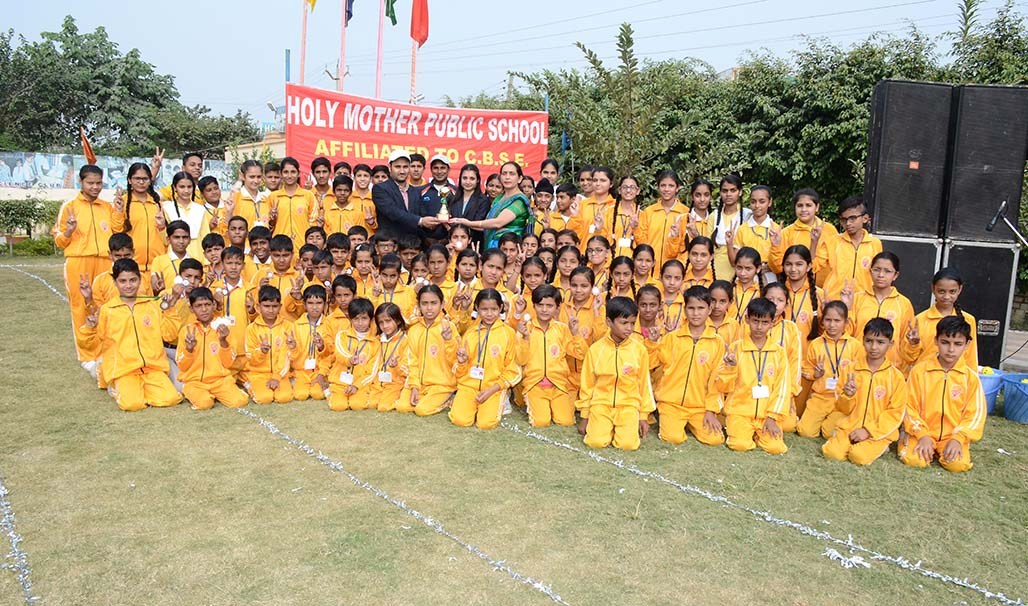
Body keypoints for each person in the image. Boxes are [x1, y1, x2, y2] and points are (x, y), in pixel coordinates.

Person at [81, 258, 183, 411]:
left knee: (171, 399)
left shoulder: (152, 305)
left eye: (133, 280)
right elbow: (91, 344)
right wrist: (90, 328)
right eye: (123, 281)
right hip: (124, 370)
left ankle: (143, 389)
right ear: (115, 282)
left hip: (152, 367)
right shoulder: (108, 310)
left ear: (140, 280)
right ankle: (114, 385)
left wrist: (170, 310)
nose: (128, 285)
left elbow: (169, 335)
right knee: (132, 404)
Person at [899, 315, 986, 473]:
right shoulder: (920, 371)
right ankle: (914, 441)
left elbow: (975, 415)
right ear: (936, 341)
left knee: (957, 465)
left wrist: (958, 439)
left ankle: (949, 447)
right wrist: (922, 435)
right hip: (921, 432)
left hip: (952, 436)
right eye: (945, 342)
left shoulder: (970, 377)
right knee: (915, 460)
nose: (951, 350)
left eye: (958, 344)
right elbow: (908, 407)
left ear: (967, 345)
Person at [822, 318, 907, 465]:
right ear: (863, 340)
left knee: (858, 456)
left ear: (890, 344)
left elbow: (895, 413)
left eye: (880, 342)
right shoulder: (850, 369)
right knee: (832, 453)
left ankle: (881, 445)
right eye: (869, 341)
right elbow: (841, 408)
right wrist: (848, 396)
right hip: (850, 426)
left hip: (878, 432)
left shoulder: (895, 377)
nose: (874, 347)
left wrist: (868, 431)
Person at [55, 165, 116, 368]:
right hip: (79, 261)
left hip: (105, 261)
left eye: (99, 183)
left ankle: (105, 351)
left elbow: (117, 230)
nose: (95, 187)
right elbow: (59, 241)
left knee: (104, 305)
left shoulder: (107, 207)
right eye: (90, 183)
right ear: (81, 182)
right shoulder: (70, 206)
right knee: (81, 306)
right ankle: (87, 356)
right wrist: (69, 230)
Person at [576, 296, 654, 450]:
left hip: (628, 406)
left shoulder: (639, 350)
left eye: (632, 323)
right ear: (609, 322)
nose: (629, 328)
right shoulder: (596, 350)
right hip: (601, 405)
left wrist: (643, 416)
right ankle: (603, 428)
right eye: (624, 323)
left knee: (628, 445)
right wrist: (585, 416)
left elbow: (644, 385)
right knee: (595, 442)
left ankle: (619, 429)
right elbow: (587, 384)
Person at [654, 286, 727, 445]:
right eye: (691, 308)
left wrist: (711, 410)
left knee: (714, 440)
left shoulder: (717, 342)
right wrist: (651, 343)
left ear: (709, 309)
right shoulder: (672, 338)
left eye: (701, 308)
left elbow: (716, 380)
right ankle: (670, 419)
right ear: (685, 309)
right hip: (671, 403)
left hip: (699, 407)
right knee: (673, 438)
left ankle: (691, 422)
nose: (696, 313)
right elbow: (654, 364)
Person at [717, 297, 790, 454]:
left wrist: (772, 418)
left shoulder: (779, 352)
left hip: (766, 414)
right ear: (747, 319)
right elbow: (723, 386)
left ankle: (760, 433)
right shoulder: (736, 349)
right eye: (755, 321)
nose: (759, 327)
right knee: (740, 445)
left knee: (776, 448)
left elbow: (782, 388)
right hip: (740, 412)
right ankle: (741, 431)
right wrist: (730, 368)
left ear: (773, 323)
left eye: (765, 322)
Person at [515, 285, 587, 427]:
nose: (544, 309)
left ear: (557, 308)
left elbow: (581, 354)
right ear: (534, 306)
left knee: (565, 421)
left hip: (558, 384)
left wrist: (575, 334)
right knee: (541, 421)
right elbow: (520, 360)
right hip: (534, 384)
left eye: (549, 306)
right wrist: (524, 338)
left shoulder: (562, 329)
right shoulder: (526, 328)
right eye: (540, 305)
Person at [451, 289, 521, 429]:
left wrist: (493, 389)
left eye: (494, 309)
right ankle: (458, 400)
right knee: (460, 421)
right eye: (484, 309)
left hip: (493, 387)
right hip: (468, 386)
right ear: (477, 308)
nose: (489, 314)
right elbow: (459, 369)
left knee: (486, 424)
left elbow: (512, 369)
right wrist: (462, 362)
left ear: (500, 308)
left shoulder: (508, 333)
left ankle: (503, 399)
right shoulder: (470, 332)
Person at [175, 287, 249, 410]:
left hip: (220, 380)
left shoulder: (224, 328)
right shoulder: (186, 331)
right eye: (198, 306)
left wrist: (223, 341)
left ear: (214, 305)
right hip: (195, 382)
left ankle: (219, 393)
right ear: (191, 309)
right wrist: (189, 350)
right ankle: (195, 393)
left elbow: (228, 363)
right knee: (205, 403)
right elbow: (182, 365)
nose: (204, 309)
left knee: (239, 401)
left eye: (207, 304)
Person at [797, 301, 860, 438]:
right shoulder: (816, 344)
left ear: (846, 322)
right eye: (828, 320)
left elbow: (860, 373)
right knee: (805, 432)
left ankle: (828, 424)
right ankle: (820, 421)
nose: (832, 325)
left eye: (837, 321)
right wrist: (815, 374)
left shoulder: (855, 345)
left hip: (842, 399)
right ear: (822, 321)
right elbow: (806, 368)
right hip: (820, 396)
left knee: (830, 433)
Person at [844, 251, 915, 370]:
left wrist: (913, 344)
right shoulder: (857, 298)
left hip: (890, 369)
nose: (881, 275)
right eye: (877, 270)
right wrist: (846, 308)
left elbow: (905, 342)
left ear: (896, 275)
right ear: (870, 271)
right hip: (857, 366)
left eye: (887, 271)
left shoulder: (903, 304)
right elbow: (846, 334)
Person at [907, 268, 978, 370]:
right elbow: (908, 358)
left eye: (952, 292)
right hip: (926, 375)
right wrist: (914, 344)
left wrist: (972, 377)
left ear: (960, 289)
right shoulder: (920, 320)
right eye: (941, 291)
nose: (946, 297)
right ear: (933, 289)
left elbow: (971, 357)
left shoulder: (968, 320)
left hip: (956, 377)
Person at [450, 161, 531, 249]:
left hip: (508, 249)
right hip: (491, 246)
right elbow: (487, 225)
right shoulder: (499, 198)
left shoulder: (519, 201)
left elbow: (498, 223)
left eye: (512, 174)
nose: (507, 177)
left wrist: (468, 223)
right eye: (504, 173)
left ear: (519, 178)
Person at [405, 285, 459, 416]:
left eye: (434, 303)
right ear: (419, 306)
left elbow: (456, 360)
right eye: (424, 303)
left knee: (421, 410)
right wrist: (414, 386)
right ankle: (424, 395)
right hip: (421, 384)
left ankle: (449, 398)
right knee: (403, 406)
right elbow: (412, 361)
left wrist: (449, 341)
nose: (429, 308)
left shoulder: (449, 327)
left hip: (442, 385)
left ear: (442, 304)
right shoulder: (414, 330)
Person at [372, 149, 446, 243]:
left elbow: (421, 215)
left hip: (412, 245)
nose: (402, 171)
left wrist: (435, 222)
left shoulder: (415, 191)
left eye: (405, 167)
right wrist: (421, 221)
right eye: (398, 167)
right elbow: (393, 212)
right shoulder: (380, 188)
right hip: (390, 244)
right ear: (390, 167)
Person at [817, 195, 882, 301]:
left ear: (865, 218)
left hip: (864, 301)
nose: (848, 223)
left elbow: (879, 272)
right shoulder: (832, 242)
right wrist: (814, 241)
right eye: (844, 220)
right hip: (834, 300)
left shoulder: (875, 243)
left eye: (852, 218)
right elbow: (813, 265)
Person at [245, 284, 299, 404]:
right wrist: (261, 351)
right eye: (266, 306)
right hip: (258, 374)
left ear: (280, 307)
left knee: (284, 398)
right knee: (264, 398)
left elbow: (288, 356)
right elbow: (250, 358)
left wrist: (276, 377)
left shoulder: (288, 326)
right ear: (258, 307)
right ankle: (249, 384)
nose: (270, 310)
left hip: (281, 374)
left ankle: (288, 381)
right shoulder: (251, 329)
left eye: (274, 306)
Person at [111, 163, 166, 276]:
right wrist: (119, 211)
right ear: (129, 180)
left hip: (157, 265)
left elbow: (166, 235)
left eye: (145, 179)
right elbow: (116, 232)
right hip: (131, 266)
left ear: (150, 181)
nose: (141, 182)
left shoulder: (158, 204)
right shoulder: (122, 202)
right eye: (137, 179)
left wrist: (162, 226)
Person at [328, 298, 378, 411]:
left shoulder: (375, 343)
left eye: (364, 318)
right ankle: (329, 392)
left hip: (359, 385)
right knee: (338, 406)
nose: (360, 323)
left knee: (357, 405)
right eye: (356, 319)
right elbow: (340, 353)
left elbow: (372, 371)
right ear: (350, 319)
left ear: (371, 320)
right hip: (340, 382)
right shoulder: (342, 335)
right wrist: (350, 359)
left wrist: (357, 386)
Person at [640, 169, 689, 271]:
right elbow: (642, 240)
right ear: (658, 187)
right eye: (663, 185)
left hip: (673, 272)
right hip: (649, 269)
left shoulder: (685, 213)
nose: (666, 189)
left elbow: (685, 247)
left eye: (671, 186)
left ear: (677, 188)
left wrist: (680, 267)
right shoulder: (649, 211)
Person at [291, 285, 333, 402]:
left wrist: (322, 347)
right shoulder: (296, 325)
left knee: (318, 394)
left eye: (319, 303)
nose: (314, 307)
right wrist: (293, 347)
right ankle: (293, 380)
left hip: (319, 370)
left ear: (325, 305)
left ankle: (324, 380)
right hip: (301, 371)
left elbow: (331, 353)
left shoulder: (329, 325)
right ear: (304, 305)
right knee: (300, 395)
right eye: (310, 303)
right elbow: (292, 354)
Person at [370, 303, 412, 412]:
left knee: (383, 407)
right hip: (378, 382)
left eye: (388, 321)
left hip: (395, 383)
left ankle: (402, 398)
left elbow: (408, 369)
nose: (384, 326)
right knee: (370, 403)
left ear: (398, 321)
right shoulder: (377, 340)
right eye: (381, 322)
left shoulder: (405, 341)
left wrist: (396, 366)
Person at [270, 157, 318, 244]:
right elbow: (268, 225)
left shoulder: (308, 196)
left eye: (293, 172)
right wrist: (272, 220)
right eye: (286, 172)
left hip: (303, 246)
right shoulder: (273, 197)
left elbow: (314, 224)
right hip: (279, 247)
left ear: (298, 173)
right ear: (280, 174)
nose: (289, 176)